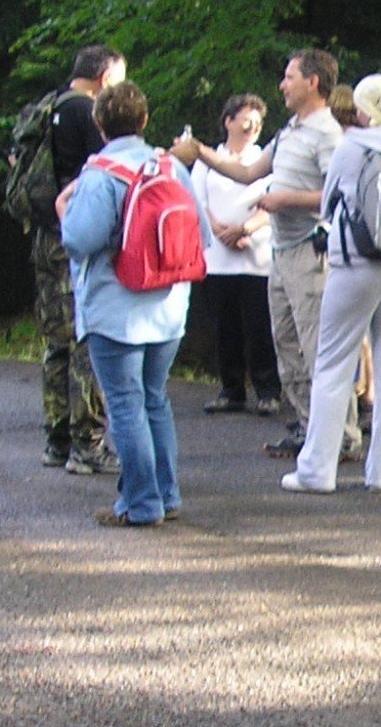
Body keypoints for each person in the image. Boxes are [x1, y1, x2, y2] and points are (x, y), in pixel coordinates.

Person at [173, 49, 359, 462]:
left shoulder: (328, 133)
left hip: (312, 253)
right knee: (287, 345)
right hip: (281, 253)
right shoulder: (290, 130)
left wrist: (283, 200)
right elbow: (247, 172)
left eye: (289, 77)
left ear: (313, 83)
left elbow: (338, 194)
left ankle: (342, 438)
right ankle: (309, 429)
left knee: (319, 349)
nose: (282, 85)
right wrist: (199, 151)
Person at [57, 80, 203, 528]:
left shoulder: (100, 173)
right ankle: (167, 493)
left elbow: (80, 240)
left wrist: (65, 210)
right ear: (143, 121)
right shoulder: (170, 168)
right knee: (154, 399)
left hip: (115, 308)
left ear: (99, 124)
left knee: (124, 403)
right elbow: (202, 232)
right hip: (169, 306)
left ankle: (141, 504)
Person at [283, 74, 381, 494]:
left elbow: (331, 199)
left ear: (366, 108)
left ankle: (316, 471)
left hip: (356, 264)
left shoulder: (353, 146)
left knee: (333, 364)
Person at [30, 45, 125, 476]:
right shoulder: (87, 114)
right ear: (105, 77)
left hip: (43, 236)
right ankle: (87, 442)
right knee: (86, 339)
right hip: (74, 235)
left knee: (56, 341)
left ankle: (56, 437)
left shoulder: (48, 106)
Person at [190, 94, 282, 417]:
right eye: (246, 120)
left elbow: (272, 203)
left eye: (257, 122)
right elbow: (197, 201)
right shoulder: (209, 161)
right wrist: (220, 230)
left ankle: (268, 389)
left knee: (260, 325)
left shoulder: (265, 159)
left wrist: (246, 229)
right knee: (224, 325)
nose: (252, 127)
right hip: (218, 256)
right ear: (228, 121)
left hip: (256, 256)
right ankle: (231, 389)